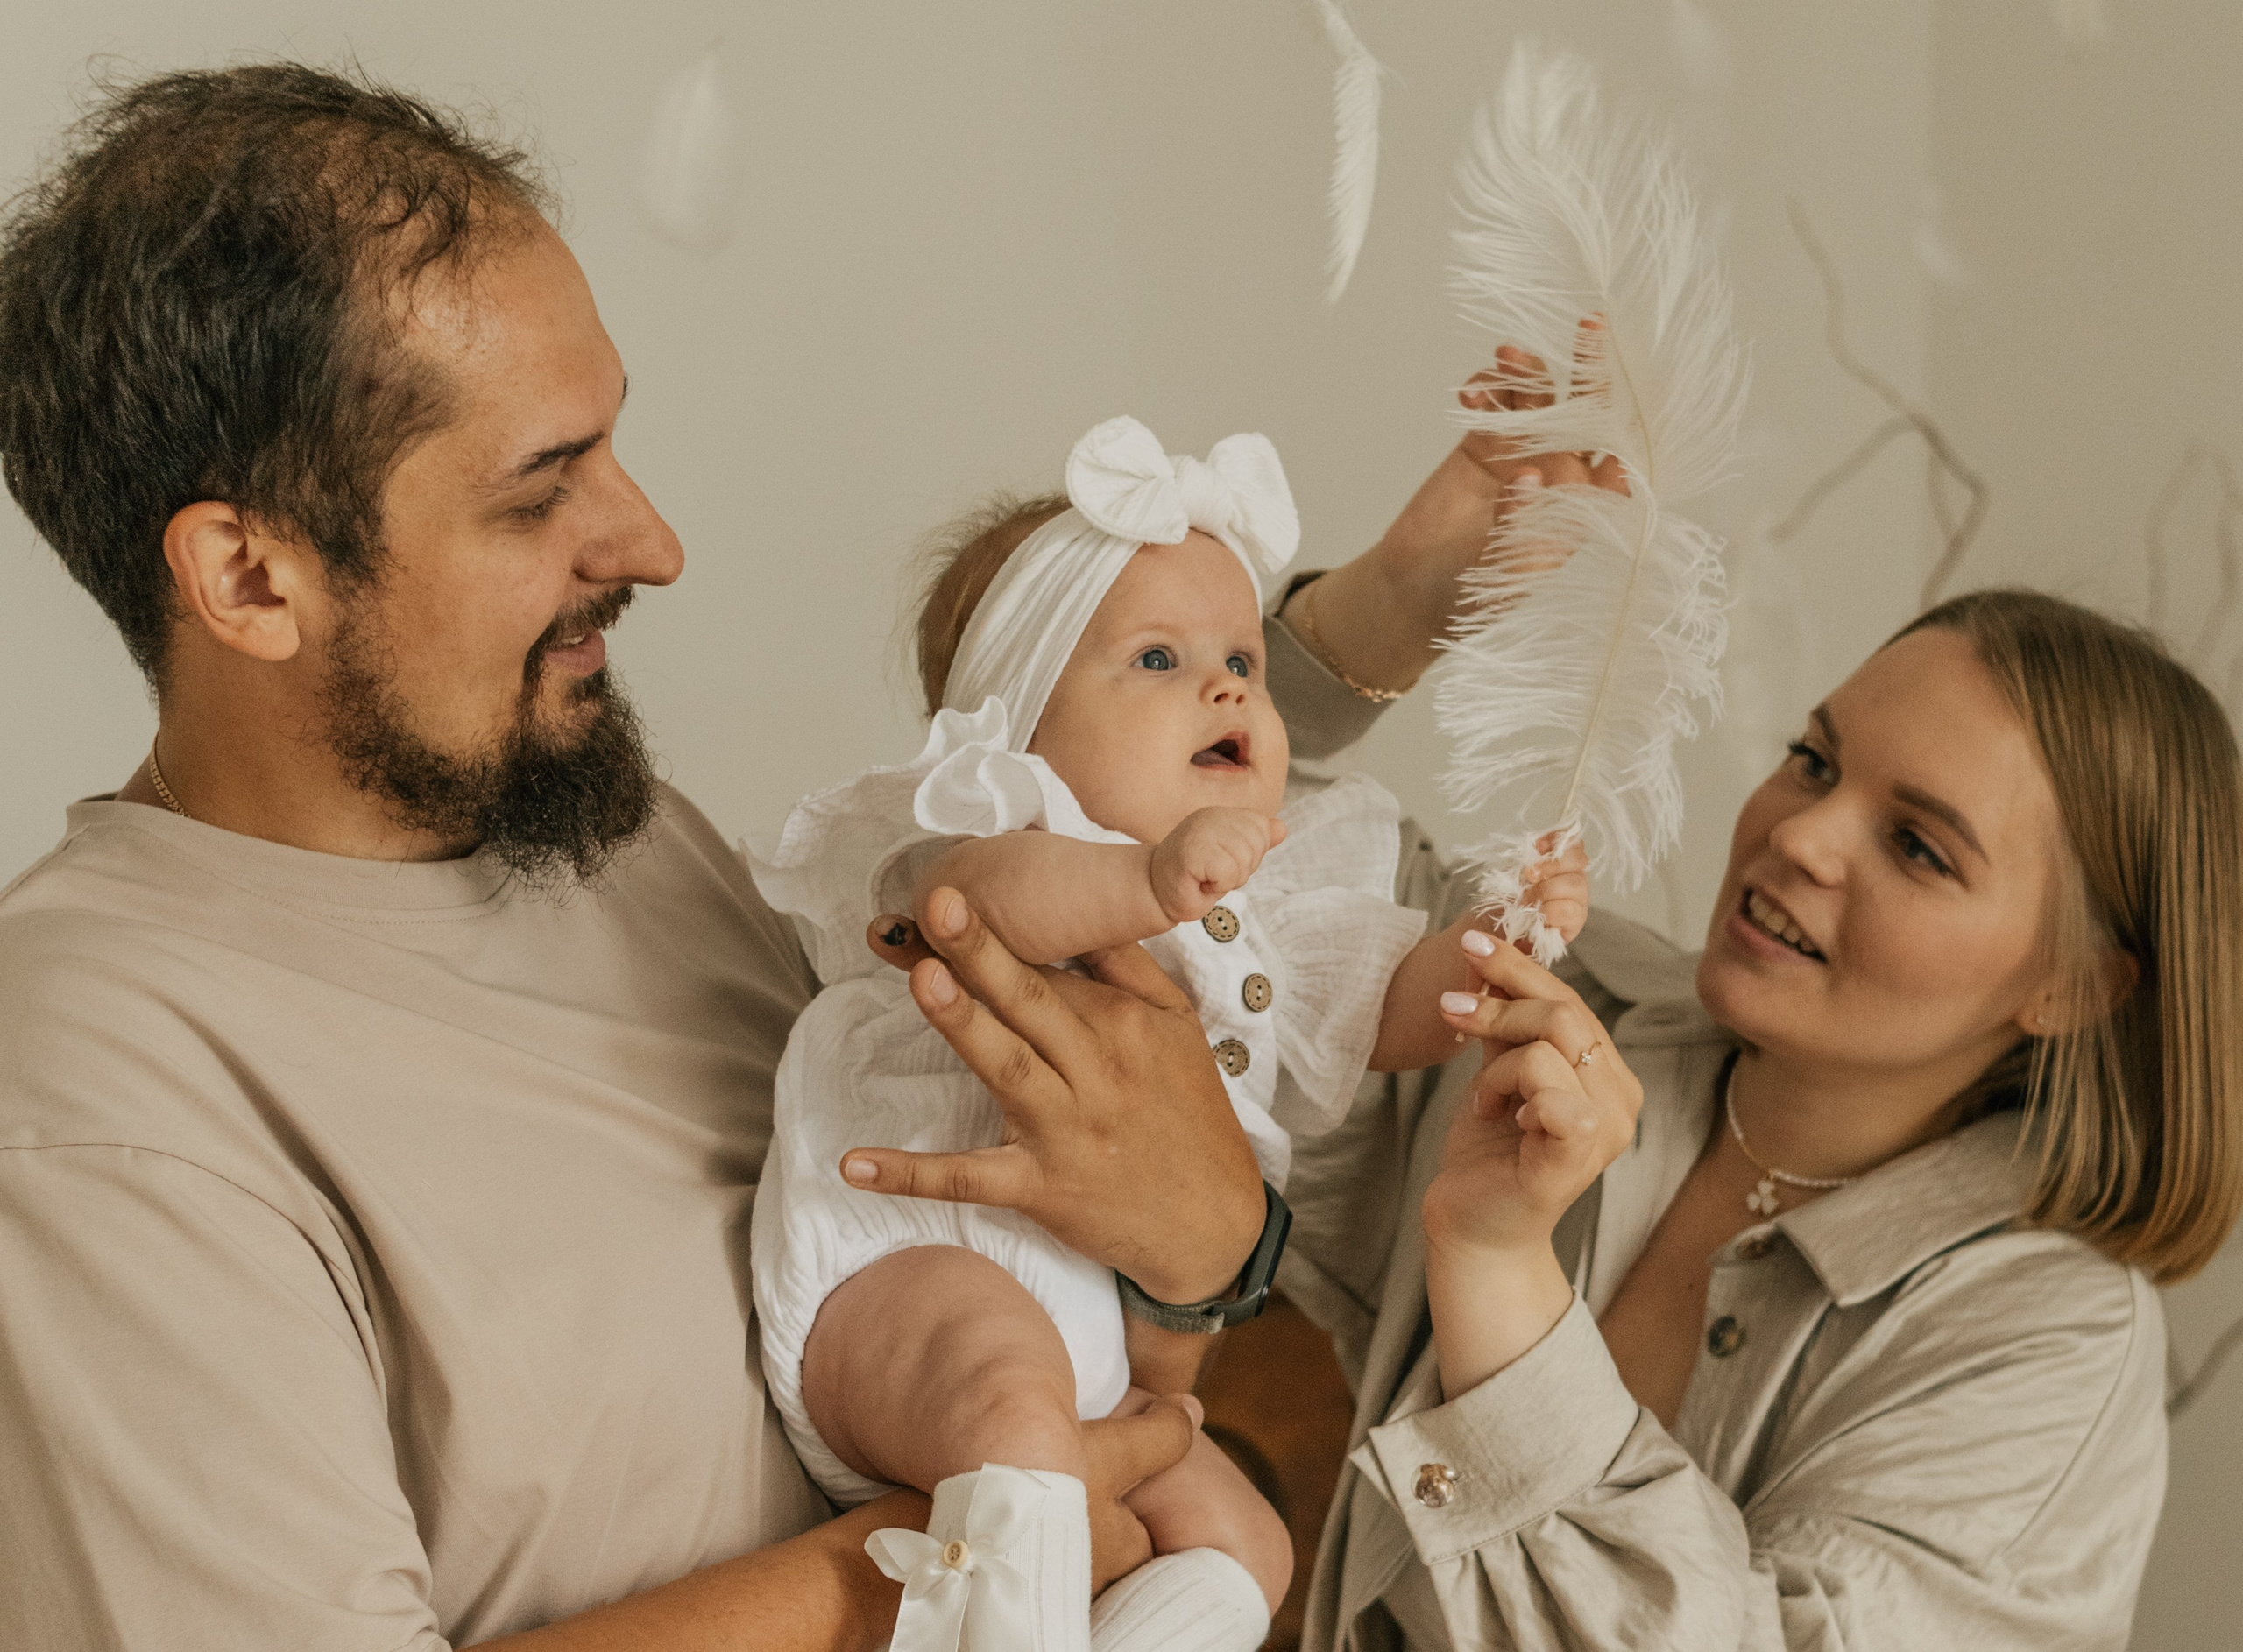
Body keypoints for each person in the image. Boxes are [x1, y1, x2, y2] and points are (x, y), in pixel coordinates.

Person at [0, 60, 1569, 1652]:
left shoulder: (609, 834)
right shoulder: (95, 1104)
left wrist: (1203, 1256)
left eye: (612, 446)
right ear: (253, 581)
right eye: (543, 493)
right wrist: (978, 1543)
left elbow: (1065, 875)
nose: (651, 543)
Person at [1239, 582, 2240, 1648]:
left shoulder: (2046, 1342)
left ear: (2076, 986)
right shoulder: (1552, 1005)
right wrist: (1405, 576)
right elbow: (1194, 858)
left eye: (1917, 846)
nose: (1800, 834)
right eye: (1814, 760)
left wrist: (1500, 1272)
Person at [746, 414, 1589, 1652]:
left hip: (1107, 1347)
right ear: (1016, 722)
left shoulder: (1268, 909)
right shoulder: (993, 828)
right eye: (1157, 658)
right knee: (1016, 1417)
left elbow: (1396, 1012)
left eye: (1244, 657)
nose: (1232, 683)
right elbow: (985, 909)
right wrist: (1147, 881)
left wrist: (1502, 930)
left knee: (1249, 1543)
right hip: (911, 1269)